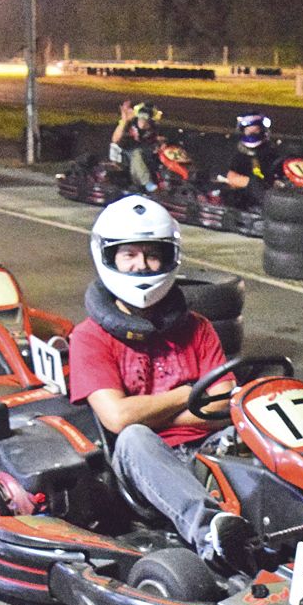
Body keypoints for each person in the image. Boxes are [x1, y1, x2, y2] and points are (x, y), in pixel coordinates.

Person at [68, 196, 252, 571]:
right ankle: (211, 534)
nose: (142, 265)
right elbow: (119, 419)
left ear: (170, 257)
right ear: (108, 257)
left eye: (153, 254)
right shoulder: (89, 337)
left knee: (259, 425)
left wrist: (159, 412)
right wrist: (189, 395)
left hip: (208, 447)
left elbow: (224, 406)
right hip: (139, 465)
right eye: (129, 255)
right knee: (137, 436)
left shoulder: (197, 327)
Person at [218, 112, 278, 210]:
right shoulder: (236, 154)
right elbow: (230, 177)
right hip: (242, 202)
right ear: (243, 131)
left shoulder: (270, 154)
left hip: (265, 197)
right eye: (248, 130)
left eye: (256, 130)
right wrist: (250, 183)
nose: (252, 133)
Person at [111, 100, 164, 192]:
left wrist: (161, 145)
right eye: (141, 117)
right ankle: (147, 183)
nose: (143, 121)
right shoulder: (129, 123)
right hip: (127, 155)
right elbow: (115, 139)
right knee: (137, 153)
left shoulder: (154, 128)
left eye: (146, 118)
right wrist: (124, 121)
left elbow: (159, 141)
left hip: (145, 155)